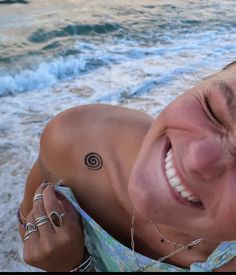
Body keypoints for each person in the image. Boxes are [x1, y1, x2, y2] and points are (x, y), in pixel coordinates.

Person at [18, 60, 236, 272]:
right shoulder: (75, 140)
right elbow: (29, 225)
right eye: (212, 109)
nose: (199, 159)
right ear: (202, 82)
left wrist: (72, 268)